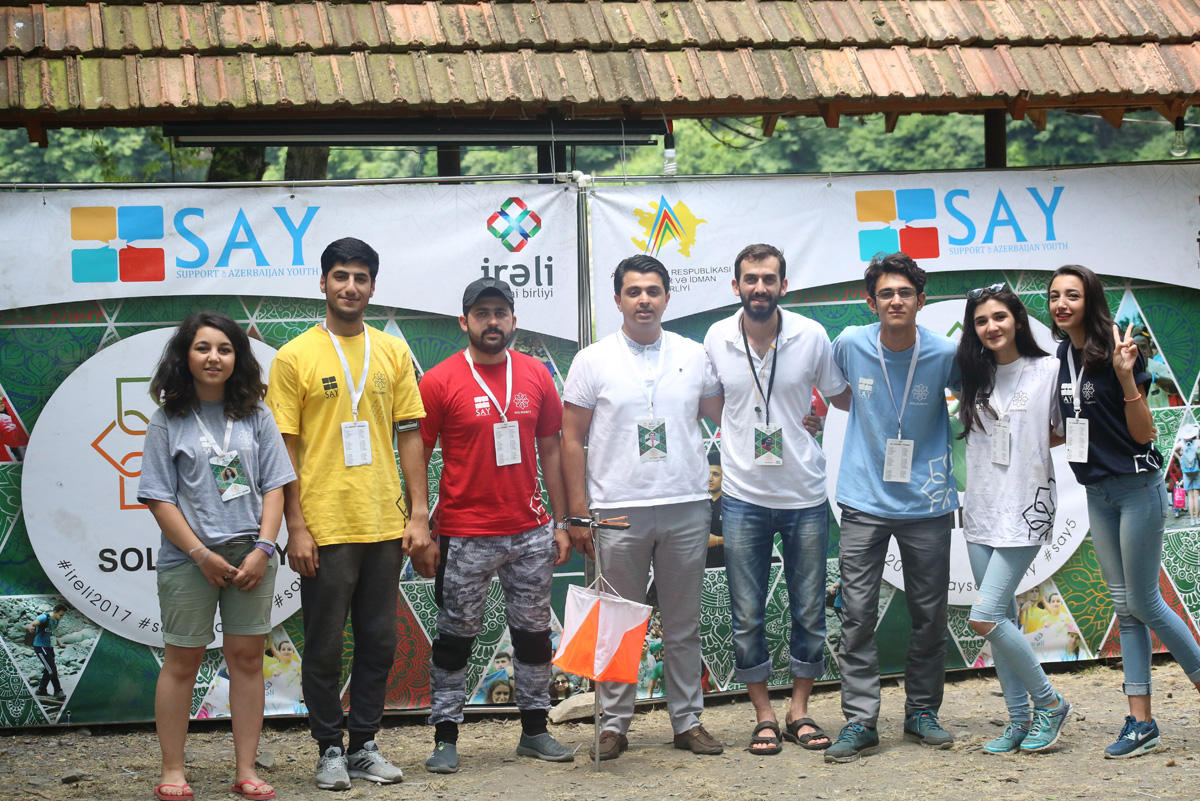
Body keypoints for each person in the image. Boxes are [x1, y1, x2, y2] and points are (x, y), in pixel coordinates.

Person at [265, 237, 429, 790]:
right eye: (340, 276)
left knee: (380, 639)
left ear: (373, 287)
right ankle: (328, 748)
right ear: (322, 283)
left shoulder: (392, 352)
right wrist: (297, 525)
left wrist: (419, 513)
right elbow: (283, 448)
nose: (350, 287)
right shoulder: (294, 357)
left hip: (385, 520)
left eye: (360, 278)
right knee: (326, 642)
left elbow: (410, 433)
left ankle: (363, 744)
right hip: (326, 525)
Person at [561, 254, 724, 761]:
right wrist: (577, 512)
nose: (644, 300)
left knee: (683, 622)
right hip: (616, 511)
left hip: (686, 504)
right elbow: (571, 439)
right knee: (618, 622)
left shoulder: (695, 355)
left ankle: (687, 721)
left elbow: (729, 417)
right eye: (633, 291)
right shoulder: (592, 359)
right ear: (617, 300)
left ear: (668, 297)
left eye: (653, 290)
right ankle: (612, 725)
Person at [138, 311, 295, 801]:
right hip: (189, 558)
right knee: (181, 661)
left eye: (225, 349)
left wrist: (264, 549)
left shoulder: (258, 415)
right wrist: (201, 554)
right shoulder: (168, 420)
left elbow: (276, 486)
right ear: (186, 356)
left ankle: (246, 770)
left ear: (237, 358)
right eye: (203, 348)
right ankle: (172, 770)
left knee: (247, 660)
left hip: (252, 554)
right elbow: (159, 497)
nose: (214, 357)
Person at [418, 277, 573, 774]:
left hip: (530, 530)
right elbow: (416, 453)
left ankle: (535, 730)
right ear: (464, 321)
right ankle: (445, 737)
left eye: (500, 312)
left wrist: (562, 521)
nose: (492, 321)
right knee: (454, 638)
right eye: (481, 313)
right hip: (465, 533)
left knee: (532, 635)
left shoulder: (536, 375)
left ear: (513, 320)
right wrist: (420, 521)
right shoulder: (439, 381)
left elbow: (551, 448)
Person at [1048, 263, 1200, 758]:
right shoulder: (1061, 354)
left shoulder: (1116, 347)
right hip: (1099, 495)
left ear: (1090, 300)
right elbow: (1069, 426)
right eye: (1054, 296)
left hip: (1138, 489)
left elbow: (1144, 433)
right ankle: (1141, 723)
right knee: (1124, 606)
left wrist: (1123, 375)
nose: (1061, 303)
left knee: (1146, 601)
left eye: (1072, 294)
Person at [702, 243, 846, 755]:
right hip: (742, 495)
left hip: (805, 493)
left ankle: (799, 711)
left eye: (768, 279)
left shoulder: (811, 335)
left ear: (784, 286)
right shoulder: (717, 336)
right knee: (748, 612)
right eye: (750, 279)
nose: (759, 287)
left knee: (809, 610)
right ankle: (763, 713)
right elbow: (714, 404)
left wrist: (816, 417)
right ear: (735, 285)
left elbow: (835, 395)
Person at [823, 252, 959, 763]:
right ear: (871, 301)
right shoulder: (851, 345)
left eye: (905, 293)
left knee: (928, 612)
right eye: (886, 293)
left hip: (927, 503)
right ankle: (860, 720)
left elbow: (975, 400)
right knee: (856, 612)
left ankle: (922, 712)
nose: (896, 300)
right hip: (863, 501)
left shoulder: (945, 353)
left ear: (921, 301)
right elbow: (838, 397)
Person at [955, 284, 1071, 754]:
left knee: (982, 616)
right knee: (999, 617)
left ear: (1017, 320)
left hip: (1026, 508)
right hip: (980, 509)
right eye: (981, 321)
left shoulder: (1049, 369)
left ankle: (1050, 704)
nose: (991, 327)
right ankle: (1018, 720)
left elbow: (1064, 432)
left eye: (999, 317)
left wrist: (1029, 457)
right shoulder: (972, 376)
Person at [27, 603, 68, 700]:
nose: (61, 618)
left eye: (63, 615)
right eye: (60, 615)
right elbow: (33, 623)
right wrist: (30, 627)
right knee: (52, 669)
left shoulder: (55, 621)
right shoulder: (44, 617)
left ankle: (41, 690)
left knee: (48, 669)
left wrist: (59, 643)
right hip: (40, 647)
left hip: (49, 647)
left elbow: (51, 633)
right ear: (55, 612)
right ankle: (58, 691)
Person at [1173, 424, 1200, 526]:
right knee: (1196, 495)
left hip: (1186, 472)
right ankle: (1198, 518)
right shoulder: (1197, 442)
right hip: (1196, 471)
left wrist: (1180, 459)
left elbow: (1174, 450)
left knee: (1190, 497)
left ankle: (1192, 520)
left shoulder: (1181, 444)